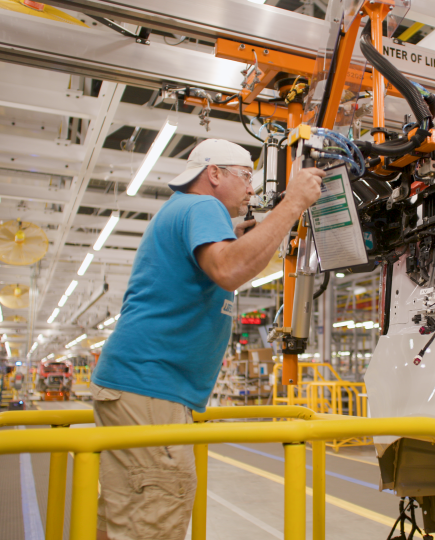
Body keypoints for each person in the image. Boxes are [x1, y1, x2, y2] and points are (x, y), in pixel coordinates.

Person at [90, 138, 325, 540]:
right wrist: (293, 204)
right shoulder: (202, 206)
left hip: (143, 387)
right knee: (154, 514)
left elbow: (227, 258)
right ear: (213, 174)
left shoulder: (189, 213)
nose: (252, 189)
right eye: (246, 176)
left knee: (129, 514)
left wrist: (249, 233)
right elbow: (229, 268)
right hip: (151, 388)